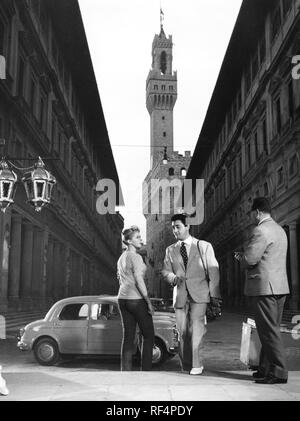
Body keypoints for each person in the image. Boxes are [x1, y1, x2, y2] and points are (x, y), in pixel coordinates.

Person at [234, 197, 289, 384]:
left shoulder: (260, 230)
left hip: (264, 288)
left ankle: (279, 372)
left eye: (252, 213)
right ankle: (266, 369)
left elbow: (250, 259)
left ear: (257, 212)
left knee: (268, 332)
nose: (251, 216)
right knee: (270, 330)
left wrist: (240, 257)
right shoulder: (280, 230)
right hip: (280, 286)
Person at [162, 213, 221, 375]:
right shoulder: (170, 250)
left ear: (188, 226)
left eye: (178, 227)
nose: (175, 230)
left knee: (196, 329)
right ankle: (186, 364)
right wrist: (173, 277)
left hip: (200, 295)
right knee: (182, 332)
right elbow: (165, 271)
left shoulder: (204, 246)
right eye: (173, 227)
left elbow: (213, 271)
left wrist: (214, 295)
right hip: (180, 296)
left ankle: (197, 364)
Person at [117, 226, 155, 371]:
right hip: (136, 299)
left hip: (122, 298)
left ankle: (125, 372)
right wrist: (148, 302)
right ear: (129, 241)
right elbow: (139, 280)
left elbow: (119, 279)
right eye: (138, 237)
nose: (141, 240)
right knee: (148, 336)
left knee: (128, 337)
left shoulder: (121, 258)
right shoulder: (136, 257)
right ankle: (145, 371)